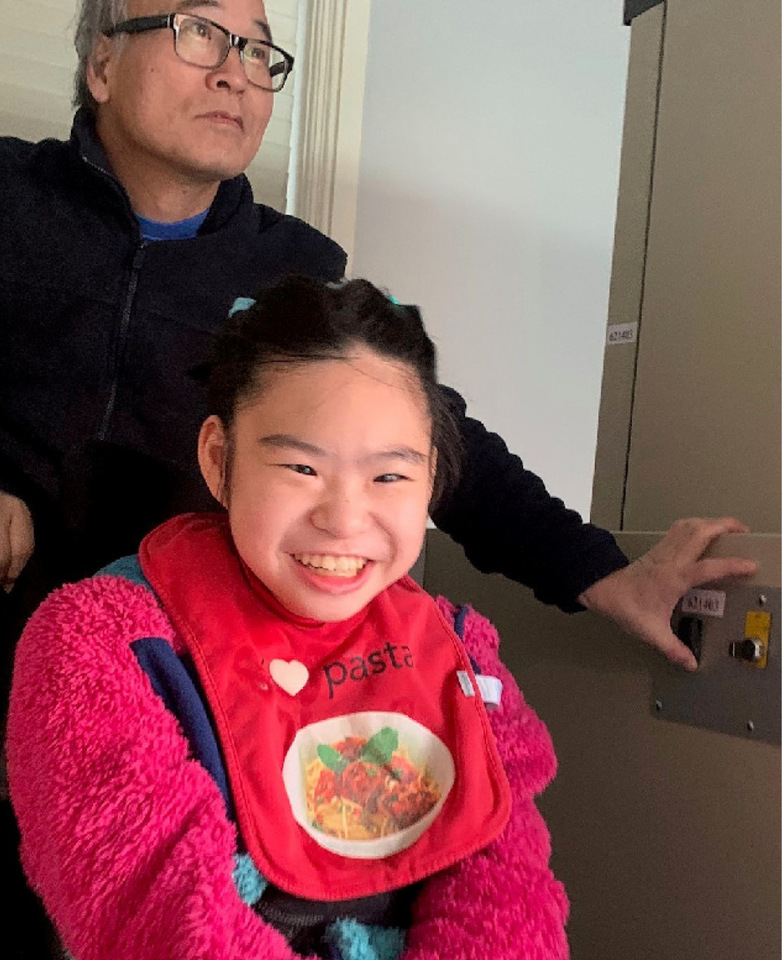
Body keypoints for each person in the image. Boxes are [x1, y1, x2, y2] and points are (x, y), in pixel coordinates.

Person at [0, 0, 757, 676]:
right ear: (102, 62)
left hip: (183, 682)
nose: (236, 74)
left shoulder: (293, 271)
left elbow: (428, 431)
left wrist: (605, 573)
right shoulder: (13, 199)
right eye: (200, 33)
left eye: (258, 51)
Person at [7, 277, 570, 960]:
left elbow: (507, 892)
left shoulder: (460, 650)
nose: (343, 518)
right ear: (220, 460)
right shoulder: (103, 642)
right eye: (301, 467)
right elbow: (159, 920)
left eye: (390, 476)